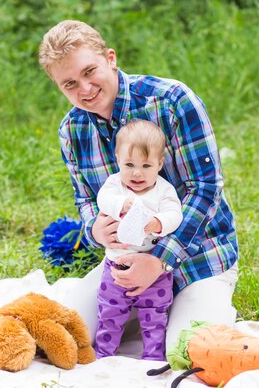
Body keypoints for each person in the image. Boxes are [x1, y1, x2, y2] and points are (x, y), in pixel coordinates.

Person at [38, 20, 239, 357]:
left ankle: (200, 305)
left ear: (111, 58)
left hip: (197, 256)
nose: (85, 89)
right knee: (62, 340)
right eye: (69, 83)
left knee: (190, 354)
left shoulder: (172, 100)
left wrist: (160, 261)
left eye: (90, 71)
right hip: (124, 264)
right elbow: (86, 197)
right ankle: (141, 312)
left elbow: (205, 188)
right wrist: (95, 229)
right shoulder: (71, 129)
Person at [95, 119, 182, 360]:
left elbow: (175, 214)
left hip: (156, 271)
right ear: (118, 160)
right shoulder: (115, 185)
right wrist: (121, 204)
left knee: (155, 316)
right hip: (116, 267)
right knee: (109, 313)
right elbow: (103, 199)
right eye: (129, 164)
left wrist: (157, 223)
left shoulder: (163, 191)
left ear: (160, 164)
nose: (136, 172)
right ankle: (104, 353)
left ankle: (153, 355)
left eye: (146, 165)